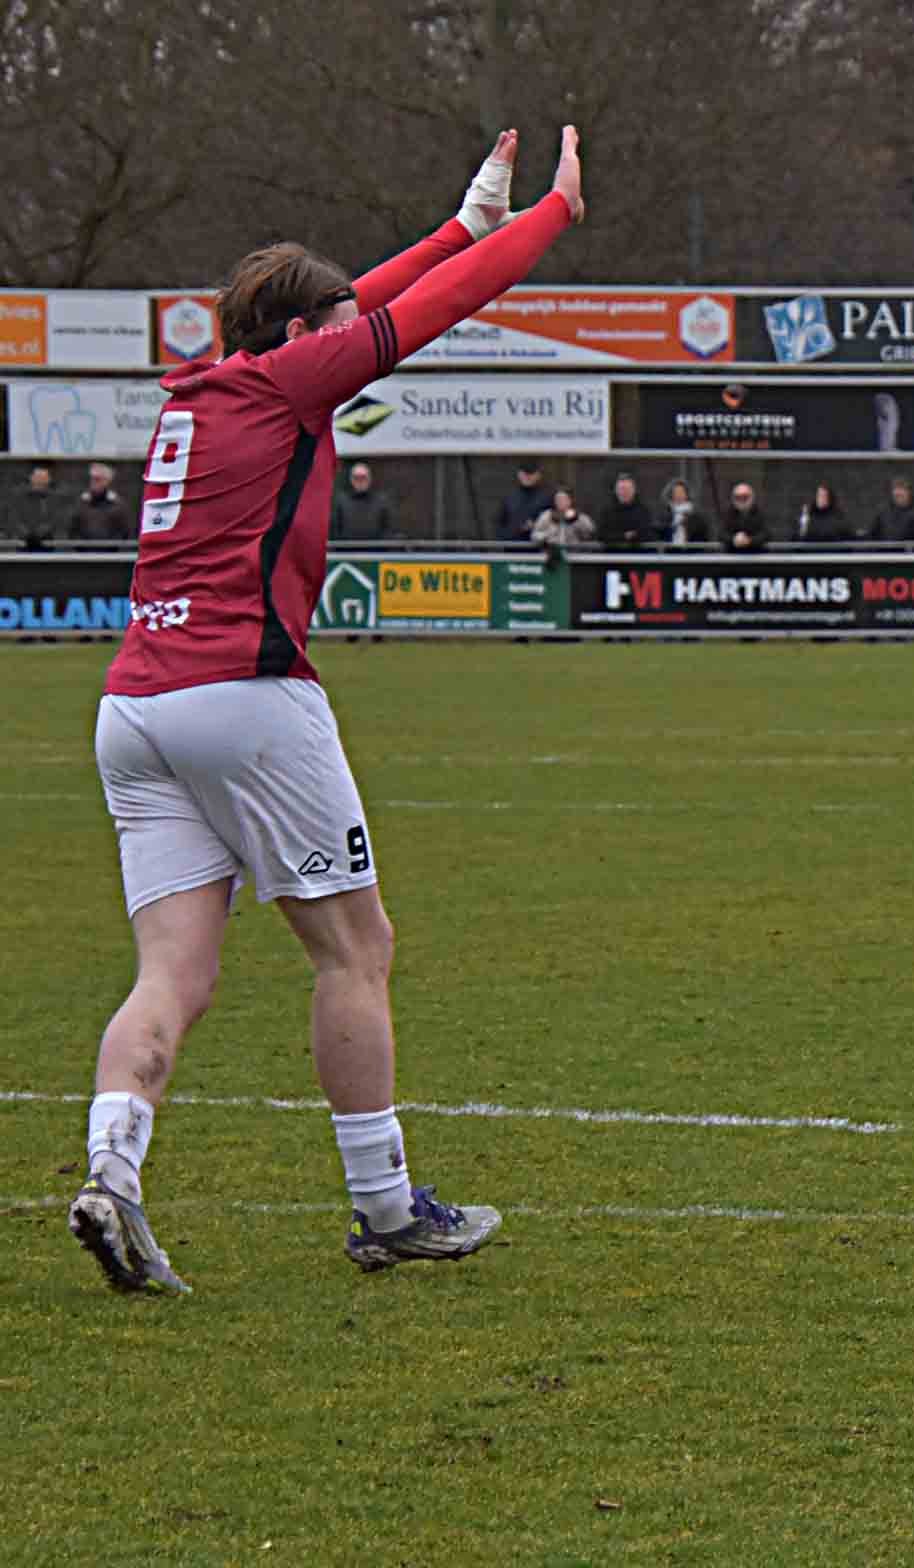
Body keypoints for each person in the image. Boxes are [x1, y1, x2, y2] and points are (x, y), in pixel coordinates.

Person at [69, 126, 584, 1295]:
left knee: (172, 973)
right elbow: (430, 311)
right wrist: (545, 218)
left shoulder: (205, 388)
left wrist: (464, 218)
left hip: (135, 708)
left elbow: (376, 298)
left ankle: (111, 1169)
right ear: (301, 339)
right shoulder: (296, 379)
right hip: (242, 700)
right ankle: (387, 1207)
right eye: (331, 328)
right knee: (357, 948)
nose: (346, 340)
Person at [328, 462, 396, 541]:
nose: (360, 481)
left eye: (363, 477)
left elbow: (388, 530)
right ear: (351, 480)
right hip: (346, 551)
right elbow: (335, 531)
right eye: (356, 477)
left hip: (376, 551)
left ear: (369, 479)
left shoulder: (381, 502)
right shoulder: (341, 502)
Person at [12, 462, 70, 548]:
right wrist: (28, 534)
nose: (39, 481)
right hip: (23, 545)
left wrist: (40, 533)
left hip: (49, 545)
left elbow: (56, 519)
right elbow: (14, 519)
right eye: (37, 477)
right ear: (31, 478)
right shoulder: (20, 498)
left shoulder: (55, 499)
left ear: (48, 480)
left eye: (43, 478)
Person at [75, 462, 132, 541]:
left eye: (97, 479)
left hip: (111, 552)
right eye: (92, 479)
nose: (93, 483)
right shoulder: (81, 502)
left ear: (107, 481)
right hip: (83, 552)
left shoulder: (118, 505)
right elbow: (73, 531)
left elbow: (125, 533)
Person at [499, 461, 553, 542]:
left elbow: (555, 524)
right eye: (524, 473)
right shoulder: (509, 497)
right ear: (519, 474)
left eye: (531, 473)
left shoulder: (547, 497)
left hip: (539, 547)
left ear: (538, 475)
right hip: (512, 547)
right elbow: (500, 523)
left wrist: (535, 525)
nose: (527, 476)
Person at [528, 486, 594, 551]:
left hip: (573, 554)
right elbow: (534, 535)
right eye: (558, 499)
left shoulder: (580, 516)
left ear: (570, 500)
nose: (560, 502)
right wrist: (547, 537)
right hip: (551, 554)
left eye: (564, 499)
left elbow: (590, 532)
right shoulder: (547, 515)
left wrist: (576, 520)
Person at [601, 471, 652, 549]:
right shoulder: (606, 511)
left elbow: (649, 534)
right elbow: (601, 535)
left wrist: (634, 536)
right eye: (622, 489)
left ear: (634, 490)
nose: (625, 492)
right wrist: (623, 536)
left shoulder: (643, 511)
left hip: (638, 556)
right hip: (612, 556)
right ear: (616, 491)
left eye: (628, 489)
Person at [722, 481, 773, 552]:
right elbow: (722, 534)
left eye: (745, 497)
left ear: (752, 497)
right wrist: (734, 540)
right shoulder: (728, 514)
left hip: (756, 558)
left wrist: (749, 541)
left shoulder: (761, 514)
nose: (741, 500)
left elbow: (766, 534)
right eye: (738, 497)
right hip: (733, 558)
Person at [659, 477, 710, 546]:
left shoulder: (697, 517)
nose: (678, 495)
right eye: (675, 492)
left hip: (692, 554)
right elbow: (661, 535)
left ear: (687, 494)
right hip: (670, 554)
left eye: (681, 492)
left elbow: (703, 537)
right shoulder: (665, 516)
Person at [875, 475, 914, 542]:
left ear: (908, 492)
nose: (898, 492)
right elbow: (873, 534)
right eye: (896, 489)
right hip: (884, 551)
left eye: (902, 489)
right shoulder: (883, 512)